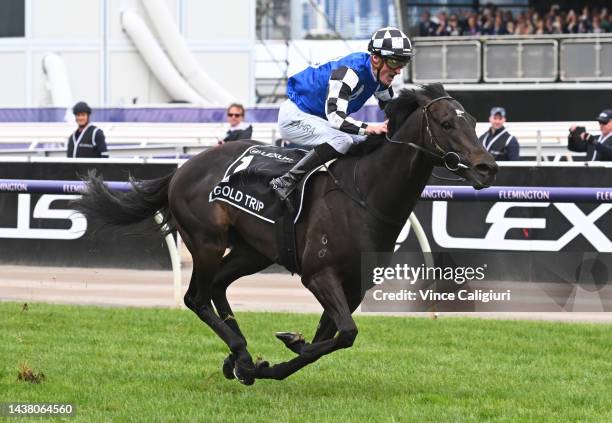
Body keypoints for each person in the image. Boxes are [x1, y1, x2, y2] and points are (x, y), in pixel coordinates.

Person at [269, 26, 413, 201]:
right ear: (376, 59)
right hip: (295, 116)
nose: (398, 70)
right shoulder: (349, 72)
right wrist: (370, 128)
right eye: (395, 63)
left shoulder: (380, 76)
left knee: (371, 140)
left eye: (402, 64)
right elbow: (336, 118)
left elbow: (393, 111)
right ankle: (286, 181)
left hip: (319, 119)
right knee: (343, 140)